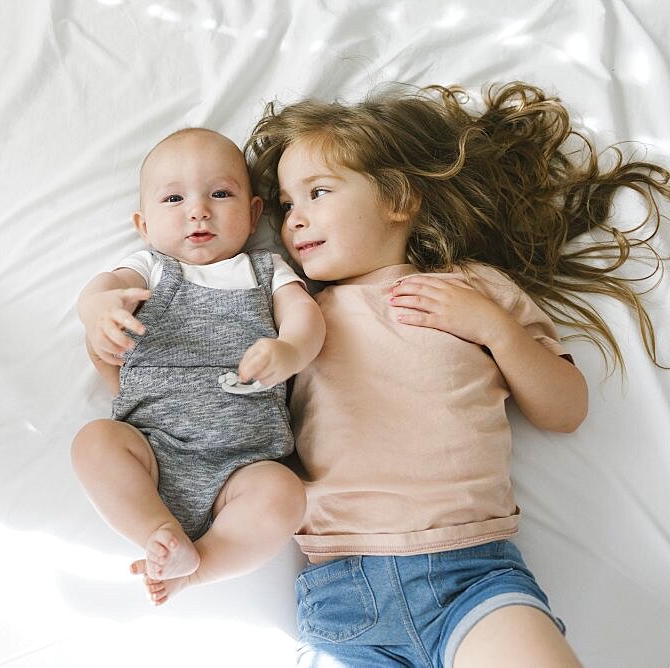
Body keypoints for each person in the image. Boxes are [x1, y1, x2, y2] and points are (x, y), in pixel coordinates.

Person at [245, 81, 668, 667]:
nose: (296, 220)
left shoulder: (475, 287)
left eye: (318, 192)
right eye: (288, 205)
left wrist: (494, 328)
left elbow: (566, 410)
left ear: (398, 198)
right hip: (344, 585)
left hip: (475, 577)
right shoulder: (297, 311)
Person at [71, 128, 325, 605]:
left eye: (221, 193)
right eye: (173, 198)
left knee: (285, 494)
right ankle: (157, 530)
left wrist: (289, 350)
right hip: (151, 447)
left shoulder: (267, 270)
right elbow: (101, 286)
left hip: (244, 465)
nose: (198, 210)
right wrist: (98, 311)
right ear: (144, 225)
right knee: (94, 443)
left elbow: (306, 319)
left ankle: (196, 567)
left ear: (253, 214)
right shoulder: (150, 267)